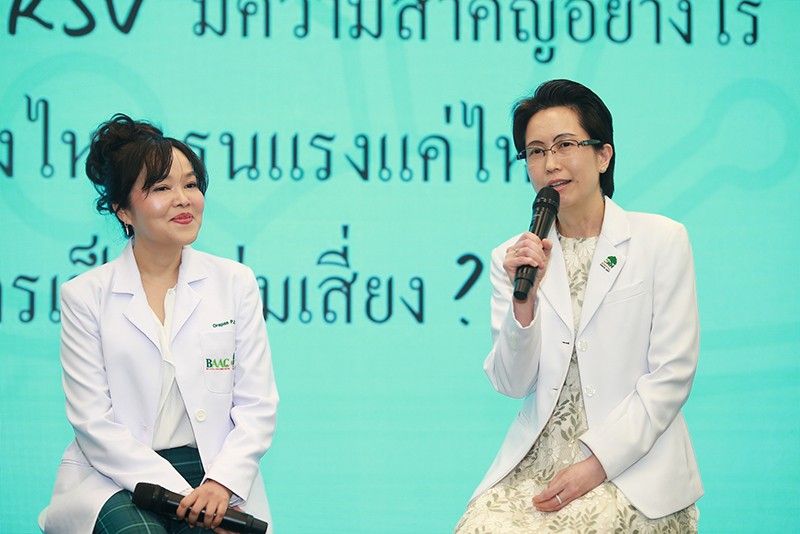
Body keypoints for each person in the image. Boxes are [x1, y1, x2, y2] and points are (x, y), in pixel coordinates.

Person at [455, 80, 702, 532]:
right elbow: (511, 383)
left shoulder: (660, 240)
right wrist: (524, 305)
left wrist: (597, 464)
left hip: (634, 465)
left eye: (565, 145)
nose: (550, 163)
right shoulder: (515, 256)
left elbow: (672, 374)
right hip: (539, 462)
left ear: (603, 155)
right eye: (535, 151)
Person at [39, 114, 279, 534]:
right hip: (116, 477)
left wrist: (219, 485)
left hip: (215, 475)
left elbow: (257, 405)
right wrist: (183, 498)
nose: (183, 199)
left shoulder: (234, 281)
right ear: (123, 210)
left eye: (191, 185)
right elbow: (94, 424)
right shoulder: (85, 295)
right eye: (162, 188)